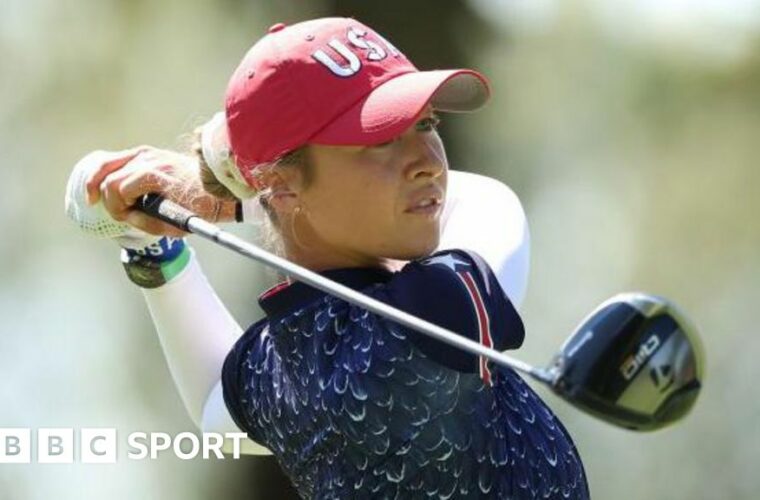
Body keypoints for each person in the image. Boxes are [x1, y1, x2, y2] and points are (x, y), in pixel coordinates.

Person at [66, 17, 589, 499]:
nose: (427, 163)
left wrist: (156, 254)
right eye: (382, 137)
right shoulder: (423, 321)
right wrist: (230, 201)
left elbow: (214, 408)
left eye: (427, 124)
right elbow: (489, 201)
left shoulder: (280, 361)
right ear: (279, 181)